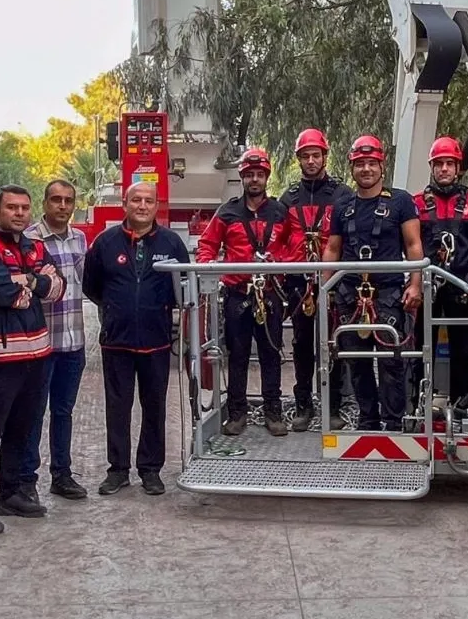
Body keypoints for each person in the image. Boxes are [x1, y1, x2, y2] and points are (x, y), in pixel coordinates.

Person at [0, 185, 65, 533]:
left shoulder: (37, 246)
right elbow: (0, 293)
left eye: (24, 208)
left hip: (38, 355)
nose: (19, 213)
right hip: (1, 359)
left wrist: (27, 283)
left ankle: (10, 494)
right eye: (11, 207)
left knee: (22, 429)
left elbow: (57, 288)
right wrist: (35, 282)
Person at [82, 182, 190, 495]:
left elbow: (182, 284)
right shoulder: (105, 243)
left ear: (157, 206)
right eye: (136, 200)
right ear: (125, 204)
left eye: (148, 201)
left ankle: (151, 470)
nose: (142, 206)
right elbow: (92, 286)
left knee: (154, 406)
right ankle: (117, 470)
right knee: (118, 408)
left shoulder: (171, 243)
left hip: (156, 342)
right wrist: (118, 307)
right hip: (116, 342)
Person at [196, 148, 303, 439]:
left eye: (259, 174)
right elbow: (207, 245)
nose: (254, 179)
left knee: (271, 353)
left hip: (269, 293)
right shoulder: (228, 211)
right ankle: (237, 414)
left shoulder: (280, 212)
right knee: (238, 354)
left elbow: (296, 245)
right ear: (242, 177)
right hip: (237, 293)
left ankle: (273, 412)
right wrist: (209, 268)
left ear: (266, 176)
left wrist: (280, 264)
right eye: (249, 175)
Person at [323, 135, 424, 431]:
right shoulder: (343, 207)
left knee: (392, 362)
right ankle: (368, 421)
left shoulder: (401, 202)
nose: (366, 169)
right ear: (352, 168)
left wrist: (415, 285)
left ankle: (393, 423)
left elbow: (414, 245)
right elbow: (332, 248)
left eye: (371, 163)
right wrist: (324, 288)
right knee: (357, 361)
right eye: (359, 164)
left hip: (389, 294)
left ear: (382, 165)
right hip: (350, 296)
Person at [278, 128, 353, 430]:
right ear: (299, 159)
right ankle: (303, 405)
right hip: (300, 283)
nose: (311, 161)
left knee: (333, 343)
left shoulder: (342, 194)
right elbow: (279, 240)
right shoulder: (288, 198)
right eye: (305, 156)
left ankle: (333, 406)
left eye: (315, 155)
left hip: (333, 283)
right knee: (302, 344)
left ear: (325, 156)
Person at [21, 180, 89, 500]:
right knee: (33, 413)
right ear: (44, 202)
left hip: (73, 344)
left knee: (63, 412)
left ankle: (61, 474)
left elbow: (87, 283)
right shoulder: (29, 239)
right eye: (56, 200)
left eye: (68, 200)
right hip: (41, 345)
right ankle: (26, 479)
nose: (62, 206)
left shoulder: (80, 238)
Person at [411, 136, 468, 406]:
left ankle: (462, 402)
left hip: (461, 285)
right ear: (432, 167)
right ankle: (419, 400)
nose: (444, 169)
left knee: (463, 346)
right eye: (439, 164)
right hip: (428, 285)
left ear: (458, 168)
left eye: (449, 164)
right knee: (422, 346)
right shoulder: (416, 203)